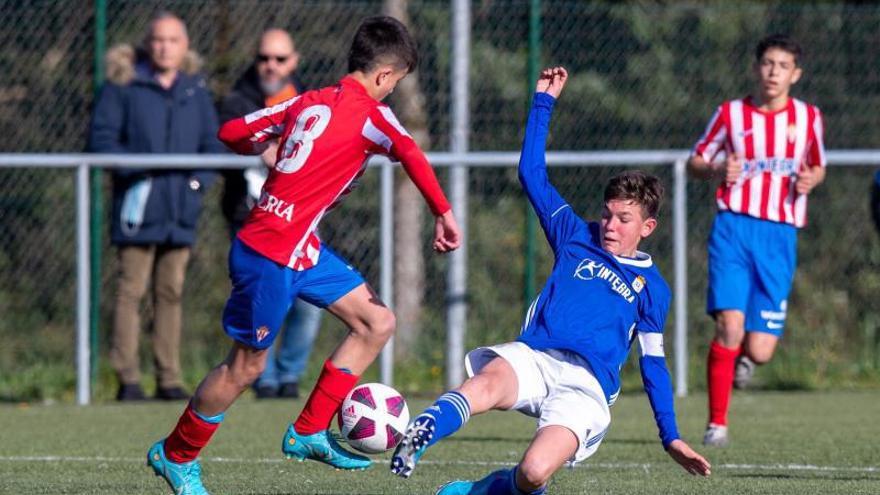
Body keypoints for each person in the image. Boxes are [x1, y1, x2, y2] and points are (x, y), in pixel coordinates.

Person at [146, 16, 461, 494]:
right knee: (245, 367)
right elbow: (412, 155)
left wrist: (269, 146)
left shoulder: (305, 101)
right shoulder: (374, 116)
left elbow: (231, 131)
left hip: (299, 248)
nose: (392, 92)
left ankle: (309, 431)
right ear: (383, 76)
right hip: (269, 254)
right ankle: (176, 453)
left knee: (377, 322)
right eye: (395, 82)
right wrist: (444, 213)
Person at [391, 67, 710, 495]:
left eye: (624, 219)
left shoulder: (654, 289)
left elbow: (653, 364)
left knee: (534, 473)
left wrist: (670, 436)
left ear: (647, 228)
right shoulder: (575, 235)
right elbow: (531, 173)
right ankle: (423, 429)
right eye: (607, 213)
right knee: (483, 384)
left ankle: (489, 489)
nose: (611, 225)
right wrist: (543, 103)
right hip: (536, 356)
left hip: (586, 387)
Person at [688, 34, 826, 447]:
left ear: (795, 74)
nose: (773, 72)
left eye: (782, 66)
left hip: (779, 236)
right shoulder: (730, 114)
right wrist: (714, 169)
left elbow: (817, 166)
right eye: (767, 63)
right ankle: (717, 424)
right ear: (756, 68)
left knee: (761, 349)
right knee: (729, 325)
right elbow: (696, 160)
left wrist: (811, 179)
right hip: (733, 229)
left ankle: (747, 361)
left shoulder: (808, 117)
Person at [88, 11, 222, 402]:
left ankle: (169, 379)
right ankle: (127, 379)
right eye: (158, 40)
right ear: (148, 44)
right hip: (137, 209)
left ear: (185, 46)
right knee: (131, 291)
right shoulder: (122, 86)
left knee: (171, 293)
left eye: (173, 40)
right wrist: (142, 170)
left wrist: (197, 184)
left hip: (180, 211)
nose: (165, 47)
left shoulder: (194, 90)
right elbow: (102, 141)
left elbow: (211, 147)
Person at [218, 28, 320, 400]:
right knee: (265, 301)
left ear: (293, 61)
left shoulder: (312, 100)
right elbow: (227, 135)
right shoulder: (238, 99)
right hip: (253, 223)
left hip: (300, 223)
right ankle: (263, 377)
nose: (270, 66)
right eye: (264, 58)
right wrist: (259, 145)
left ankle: (289, 375)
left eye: (279, 59)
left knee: (308, 303)